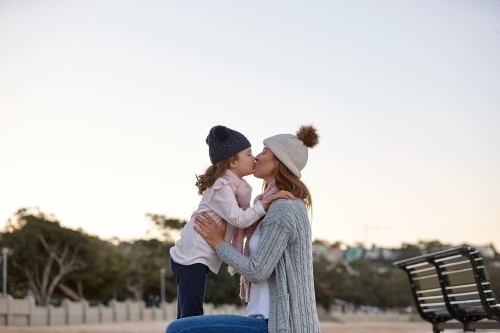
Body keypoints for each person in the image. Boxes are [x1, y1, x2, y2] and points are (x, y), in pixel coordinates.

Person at [166, 125, 321, 333]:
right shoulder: (265, 206)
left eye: (264, 152)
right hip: (263, 320)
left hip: (278, 326)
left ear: (279, 162)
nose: (256, 156)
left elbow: (256, 271)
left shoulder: (283, 208)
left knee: (179, 330)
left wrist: (218, 243)